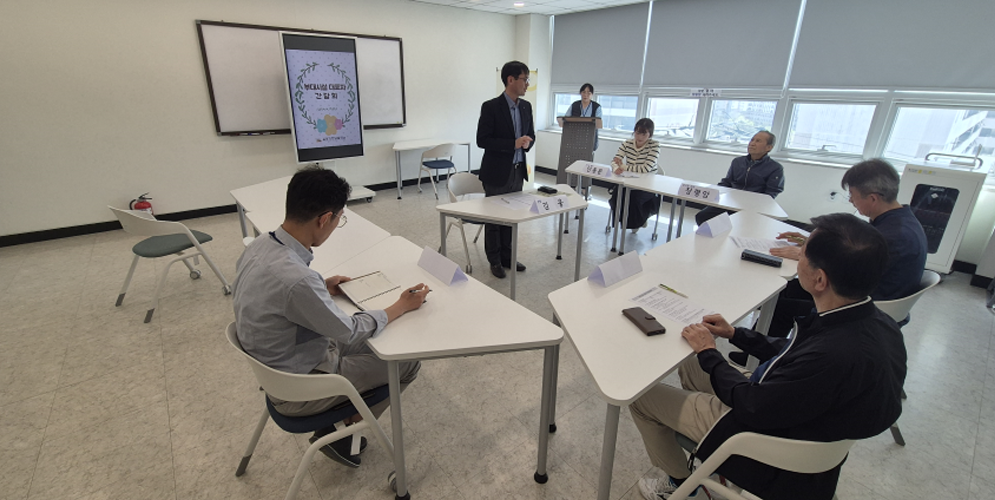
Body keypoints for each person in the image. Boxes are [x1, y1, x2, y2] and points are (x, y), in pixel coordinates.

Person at [631, 213, 907, 500]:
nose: (797, 258)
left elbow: (750, 404)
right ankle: (701, 447)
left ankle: (681, 486)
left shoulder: (831, 355)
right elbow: (794, 352)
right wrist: (735, 334)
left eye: (802, 253)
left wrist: (710, 353)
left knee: (642, 398)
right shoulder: (875, 323)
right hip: (795, 413)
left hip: (764, 438)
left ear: (820, 279)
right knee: (690, 364)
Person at [232, 166, 429, 468]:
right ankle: (342, 434)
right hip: (299, 386)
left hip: (279, 364)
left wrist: (322, 288)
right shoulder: (298, 280)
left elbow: (277, 295)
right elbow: (348, 330)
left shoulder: (258, 246)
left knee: (381, 345)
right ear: (325, 219)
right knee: (407, 363)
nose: (337, 225)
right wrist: (400, 306)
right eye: (339, 219)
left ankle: (343, 427)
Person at [761, 158, 927, 340]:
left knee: (781, 305)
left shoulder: (892, 237)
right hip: (870, 294)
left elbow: (845, 271)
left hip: (863, 308)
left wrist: (807, 254)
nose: (851, 200)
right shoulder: (901, 221)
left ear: (873, 198)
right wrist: (811, 241)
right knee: (786, 290)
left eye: (852, 195)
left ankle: (765, 350)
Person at [476, 60, 536, 279]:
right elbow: (482, 140)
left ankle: (507, 256)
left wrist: (527, 143)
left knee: (511, 216)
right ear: (511, 80)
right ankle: (494, 260)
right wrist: (512, 144)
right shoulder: (491, 107)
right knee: (494, 218)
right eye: (524, 79)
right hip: (496, 172)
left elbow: (531, 134)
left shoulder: (526, 107)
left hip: (518, 170)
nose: (527, 84)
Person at [695, 131, 784, 226]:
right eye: (752, 140)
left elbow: (771, 192)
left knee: (738, 224)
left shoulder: (775, 168)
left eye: (758, 141)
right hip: (731, 202)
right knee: (702, 217)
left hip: (754, 207)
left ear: (768, 148)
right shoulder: (738, 161)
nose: (752, 143)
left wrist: (753, 203)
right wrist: (714, 191)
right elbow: (727, 182)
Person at [608, 118, 661, 232]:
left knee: (634, 198)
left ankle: (638, 221)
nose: (640, 137)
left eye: (644, 134)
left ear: (650, 134)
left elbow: (646, 168)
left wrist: (623, 167)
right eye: (637, 132)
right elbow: (615, 160)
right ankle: (624, 223)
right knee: (616, 196)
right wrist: (616, 168)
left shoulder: (654, 146)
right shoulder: (627, 143)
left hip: (648, 184)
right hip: (629, 181)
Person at [557, 83, 603, 150]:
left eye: (588, 93)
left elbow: (598, 123)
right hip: (574, 137)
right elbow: (566, 119)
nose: (585, 95)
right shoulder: (575, 105)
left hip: (589, 138)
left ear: (592, 94)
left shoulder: (597, 107)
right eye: (583, 92)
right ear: (580, 93)